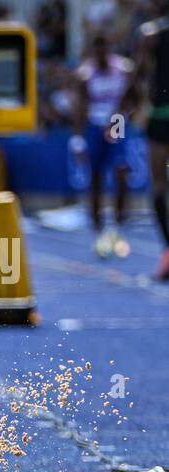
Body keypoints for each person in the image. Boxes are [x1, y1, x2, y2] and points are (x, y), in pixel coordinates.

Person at [72, 31, 134, 258]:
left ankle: (118, 224)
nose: (101, 52)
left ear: (110, 47)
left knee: (121, 171)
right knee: (95, 176)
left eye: (104, 47)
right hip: (95, 125)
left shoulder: (124, 69)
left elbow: (133, 96)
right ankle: (98, 229)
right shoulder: (84, 74)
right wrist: (77, 139)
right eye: (96, 48)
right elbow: (80, 107)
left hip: (116, 122)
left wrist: (125, 116)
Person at [124, 1, 169, 278]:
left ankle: (167, 251)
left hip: (160, 115)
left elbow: (138, 76)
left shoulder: (150, 34)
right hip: (159, 115)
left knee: (159, 186)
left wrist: (123, 107)